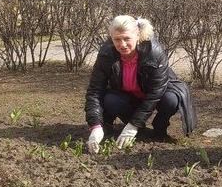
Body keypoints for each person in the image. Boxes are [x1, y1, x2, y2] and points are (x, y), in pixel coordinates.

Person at [84, 15, 196, 153]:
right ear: (111, 38)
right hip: (128, 96)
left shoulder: (154, 52)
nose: (122, 44)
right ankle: (126, 126)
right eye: (117, 39)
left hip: (157, 94)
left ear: (138, 36)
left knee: (171, 100)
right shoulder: (106, 54)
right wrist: (95, 125)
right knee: (110, 100)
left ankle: (159, 129)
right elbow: (95, 90)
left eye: (127, 38)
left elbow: (155, 93)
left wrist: (133, 125)